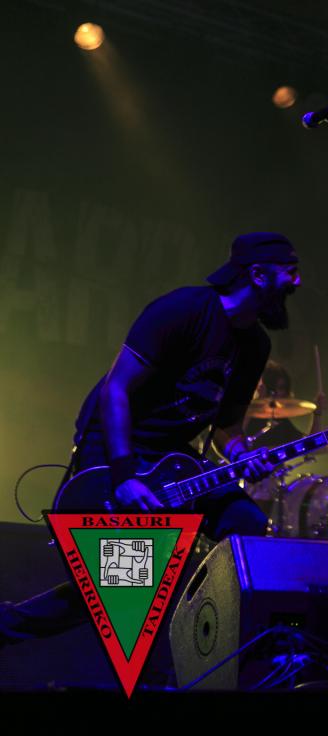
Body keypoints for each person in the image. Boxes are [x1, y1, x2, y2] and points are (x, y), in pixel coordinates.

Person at [0, 232, 302, 644]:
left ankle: (215, 644)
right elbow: (116, 389)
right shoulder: (184, 310)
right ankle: (10, 625)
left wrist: (242, 454)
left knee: (246, 523)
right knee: (121, 590)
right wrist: (124, 475)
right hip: (115, 444)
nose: (297, 282)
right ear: (259, 275)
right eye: (290, 271)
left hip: (171, 457)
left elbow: (227, 427)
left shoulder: (255, 345)